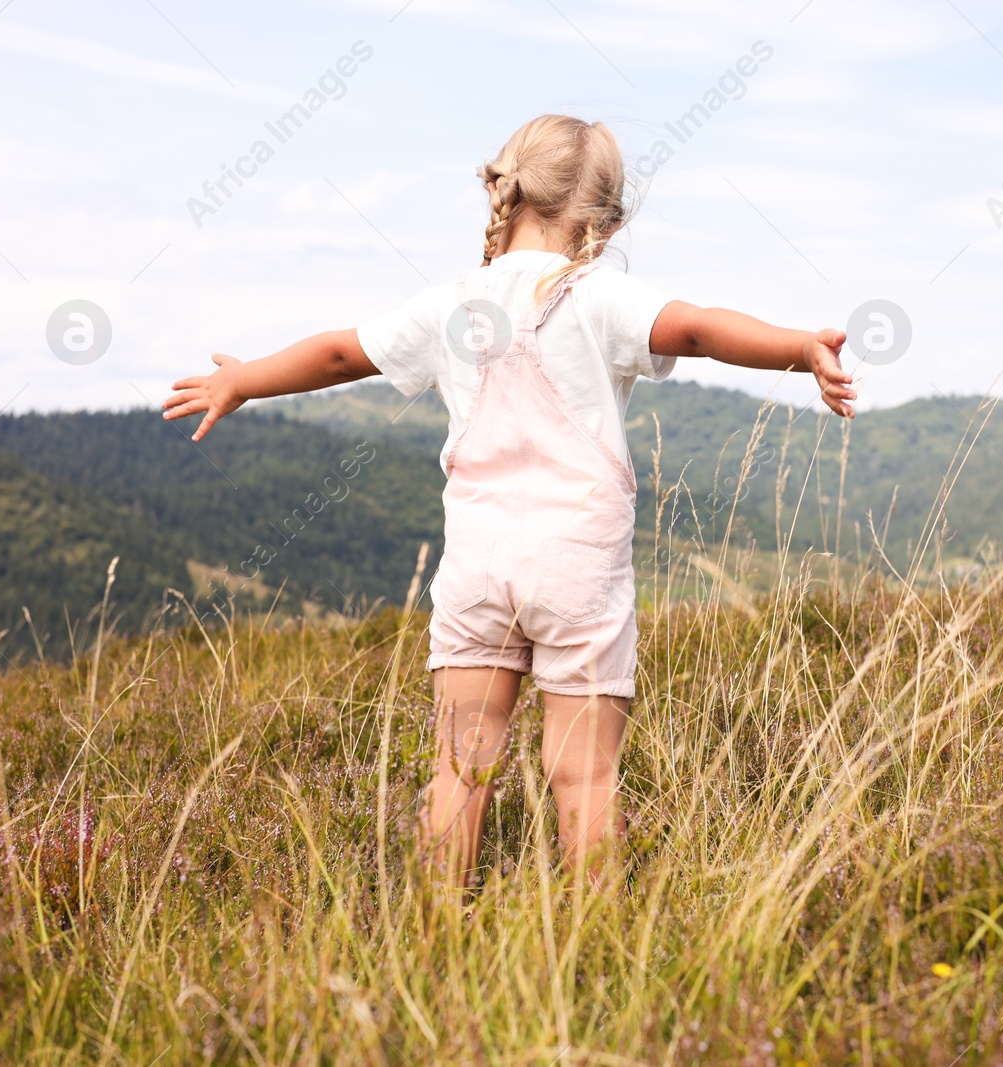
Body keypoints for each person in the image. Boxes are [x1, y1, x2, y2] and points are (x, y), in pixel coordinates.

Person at [161, 114, 855, 883]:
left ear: (503, 188)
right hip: (577, 571)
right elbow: (694, 330)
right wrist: (799, 347)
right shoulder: (600, 296)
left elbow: (337, 352)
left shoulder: (453, 302)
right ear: (609, 221)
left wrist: (241, 380)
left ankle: (435, 938)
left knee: (459, 769)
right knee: (585, 778)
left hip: (478, 567)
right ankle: (596, 948)